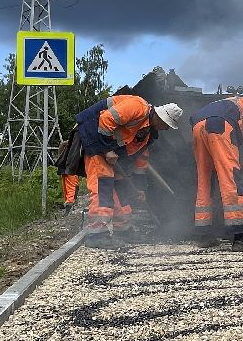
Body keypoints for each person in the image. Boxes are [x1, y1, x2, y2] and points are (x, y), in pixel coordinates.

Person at [75, 95, 183, 247]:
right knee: (103, 187)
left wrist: (139, 187)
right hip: (96, 143)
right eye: (167, 125)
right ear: (161, 117)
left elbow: (138, 157)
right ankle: (97, 235)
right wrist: (107, 150)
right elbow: (105, 120)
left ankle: (123, 230)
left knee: (122, 189)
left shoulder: (148, 132)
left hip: (114, 155)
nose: (166, 129)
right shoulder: (137, 107)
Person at [191, 93, 243, 249]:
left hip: (197, 128)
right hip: (220, 126)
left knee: (204, 181)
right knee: (230, 179)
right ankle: (240, 238)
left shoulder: (223, 103)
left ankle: (204, 236)